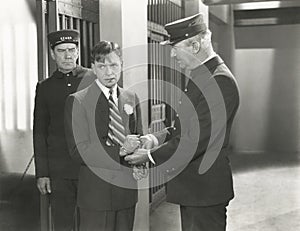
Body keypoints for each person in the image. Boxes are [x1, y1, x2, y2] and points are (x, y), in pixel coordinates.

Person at [125, 13, 240, 231]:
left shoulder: (219, 81)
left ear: (195, 45)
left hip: (204, 191)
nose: (172, 55)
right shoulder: (202, 76)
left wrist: (149, 155)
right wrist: (154, 138)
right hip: (195, 189)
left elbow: (196, 139)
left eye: (175, 48)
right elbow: (185, 126)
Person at [64, 41, 153, 231]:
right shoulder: (78, 101)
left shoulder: (131, 97)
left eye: (113, 65)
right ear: (93, 68)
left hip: (126, 192)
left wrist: (140, 161)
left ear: (122, 65)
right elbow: (78, 151)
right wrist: (120, 150)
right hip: (96, 195)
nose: (109, 72)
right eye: (102, 66)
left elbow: (138, 136)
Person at [33, 29, 96, 231]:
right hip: (59, 171)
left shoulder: (95, 79)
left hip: (90, 168)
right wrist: (42, 173)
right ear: (52, 54)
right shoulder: (45, 87)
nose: (68, 55)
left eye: (72, 49)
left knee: (93, 223)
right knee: (63, 224)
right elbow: (40, 131)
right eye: (61, 50)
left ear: (78, 52)